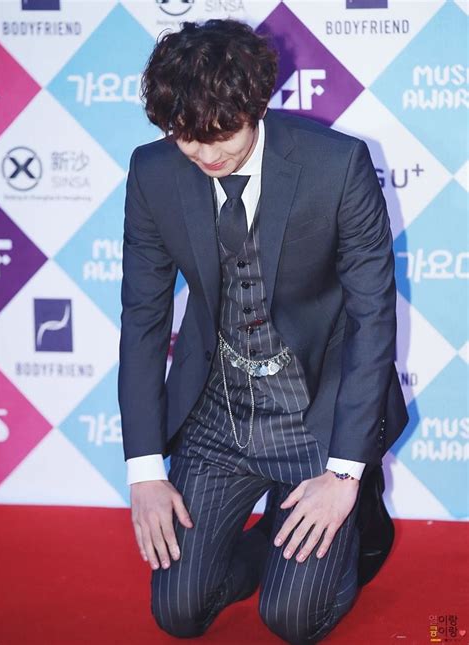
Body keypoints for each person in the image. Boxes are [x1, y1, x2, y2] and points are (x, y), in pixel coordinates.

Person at [117, 18, 409, 644]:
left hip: (318, 414)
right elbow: (143, 318)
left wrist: (345, 475)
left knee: (292, 620)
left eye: (221, 132)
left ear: (256, 104)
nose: (205, 153)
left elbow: (371, 319)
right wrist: (144, 471)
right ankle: (268, 546)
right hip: (219, 413)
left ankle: (358, 524)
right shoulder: (154, 172)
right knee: (179, 612)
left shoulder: (337, 165)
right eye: (185, 137)